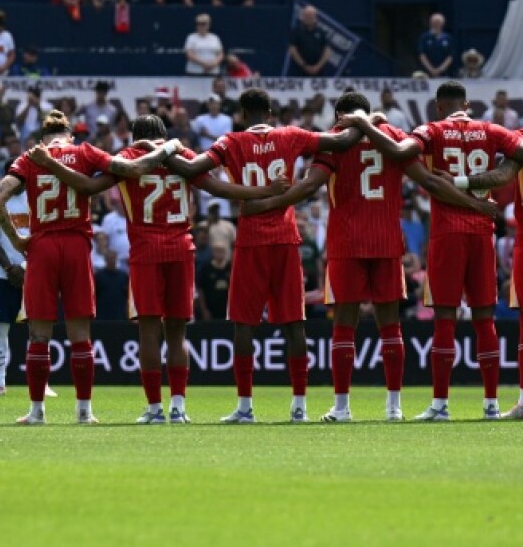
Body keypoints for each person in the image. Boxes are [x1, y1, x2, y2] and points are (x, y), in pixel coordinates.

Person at [239, 90, 496, 421]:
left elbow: (307, 187)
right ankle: (394, 408)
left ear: (340, 117)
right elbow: (429, 181)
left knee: (345, 326)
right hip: (387, 241)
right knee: (390, 326)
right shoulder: (392, 136)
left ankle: (343, 407)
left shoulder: (335, 140)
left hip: (347, 243)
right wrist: (477, 205)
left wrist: (264, 203)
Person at [343, 81, 523, 420]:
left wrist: (365, 124)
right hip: (482, 235)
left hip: (447, 235)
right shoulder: (492, 129)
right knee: (485, 320)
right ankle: (492, 406)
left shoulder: (432, 130)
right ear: (467, 105)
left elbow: (399, 153)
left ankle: (440, 406)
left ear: (439, 107)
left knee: (445, 319)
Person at [28, 113, 280, 424]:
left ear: (135, 135)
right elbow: (219, 188)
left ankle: (154, 409)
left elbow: (88, 187)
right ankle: (178, 408)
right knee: (177, 334)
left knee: (149, 332)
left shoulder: (129, 156)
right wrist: (264, 191)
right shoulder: (183, 155)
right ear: (164, 133)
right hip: (181, 250)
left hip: (146, 252)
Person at [164, 89, 364, 423]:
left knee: (244, 324)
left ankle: (245, 408)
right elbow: (343, 143)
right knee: (294, 325)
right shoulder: (291, 135)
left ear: (242, 114)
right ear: (270, 113)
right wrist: (364, 121)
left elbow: (194, 169)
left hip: (251, 240)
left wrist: (167, 148)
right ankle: (299, 407)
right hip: (286, 239)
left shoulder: (231, 141)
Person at [0, 111, 181, 425]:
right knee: (80, 335)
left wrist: (19, 239)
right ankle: (84, 412)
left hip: (42, 245)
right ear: (70, 136)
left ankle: (37, 412)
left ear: (43, 138)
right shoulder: (84, 152)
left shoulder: (30, 158)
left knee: (39, 335)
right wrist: (170, 147)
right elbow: (135, 169)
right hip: (77, 245)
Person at [0, 182, 41, 397]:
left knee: (38, 330)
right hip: (2, 274)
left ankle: (43, 384)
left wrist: (27, 267)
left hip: (34, 273)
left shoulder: (38, 197)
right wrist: (9, 267)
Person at [288, 5, 332, 76]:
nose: (308, 18)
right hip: (299, 70)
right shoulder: (296, 32)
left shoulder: (321, 32)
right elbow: (292, 50)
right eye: (306, 16)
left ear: (315, 17)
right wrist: (304, 65)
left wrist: (318, 66)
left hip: (319, 71)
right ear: (302, 17)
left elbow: (327, 51)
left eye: (310, 16)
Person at [417, 13, 453, 78]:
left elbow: (450, 56)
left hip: (444, 74)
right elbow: (422, 55)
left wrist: (440, 70)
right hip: (426, 74)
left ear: (442, 24)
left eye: (438, 22)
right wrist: (431, 70)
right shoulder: (424, 37)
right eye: (434, 22)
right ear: (430, 23)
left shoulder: (448, 38)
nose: (436, 25)